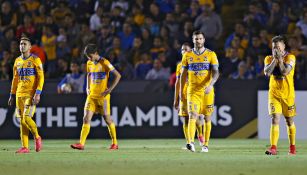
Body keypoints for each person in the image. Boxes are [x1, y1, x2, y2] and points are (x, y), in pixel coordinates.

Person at [71, 44, 121, 150]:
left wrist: (110, 89)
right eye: (87, 57)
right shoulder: (89, 63)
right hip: (91, 97)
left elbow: (118, 75)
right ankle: (81, 144)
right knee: (86, 118)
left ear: (95, 53)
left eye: (90, 56)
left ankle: (115, 143)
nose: (89, 58)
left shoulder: (105, 62)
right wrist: (87, 88)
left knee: (107, 120)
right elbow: (89, 74)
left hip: (103, 97)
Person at [180, 30, 219, 152]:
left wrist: (211, 84)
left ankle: (205, 145)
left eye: (200, 38)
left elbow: (216, 72)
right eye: (196, 39)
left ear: (204, 40)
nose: (198, 41)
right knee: (192, 115)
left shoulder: (211, 54)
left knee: (207, 118)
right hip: (193, 91)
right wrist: (181, 92)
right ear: (193, 40)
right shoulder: (187, 55)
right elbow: (183, 75)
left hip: (207, 90)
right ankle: (190, 142)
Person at [8, 35, 44, 153]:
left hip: (31, 95)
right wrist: (11, 95)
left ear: (29, 47)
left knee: (27, 118)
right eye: (21, 44)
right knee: (22, 121)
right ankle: (25, 147)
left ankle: (37, 137)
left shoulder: (35, 60)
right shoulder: (17, 61)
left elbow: (41, 77)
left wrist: (38, 93)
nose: (22, 46)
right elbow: (15, 79)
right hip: (19, 95)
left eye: (24, 44)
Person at [263, 35, 297, 155]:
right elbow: (267, 72)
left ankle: (292, 147)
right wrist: (275, 60)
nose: (275, 50)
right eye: (273, 48)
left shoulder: (290, 57)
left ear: (283, 47)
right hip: (274, 95)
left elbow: (284, 72)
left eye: (277, 47)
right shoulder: (268, 58)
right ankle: (273, 148)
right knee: (275, 119)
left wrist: (280, 60)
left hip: (288, 95)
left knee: (289, 121)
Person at [173, 42, 204, 149]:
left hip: (194, 94)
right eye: (182, 50)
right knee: (186, 119)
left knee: (196, 119)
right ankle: (190, 143)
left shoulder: (195, 64)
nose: (184, 51)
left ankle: (200, 134)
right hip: (183, 96)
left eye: (186, 49)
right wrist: (176, 98)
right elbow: (177, 83)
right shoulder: (179, 66)